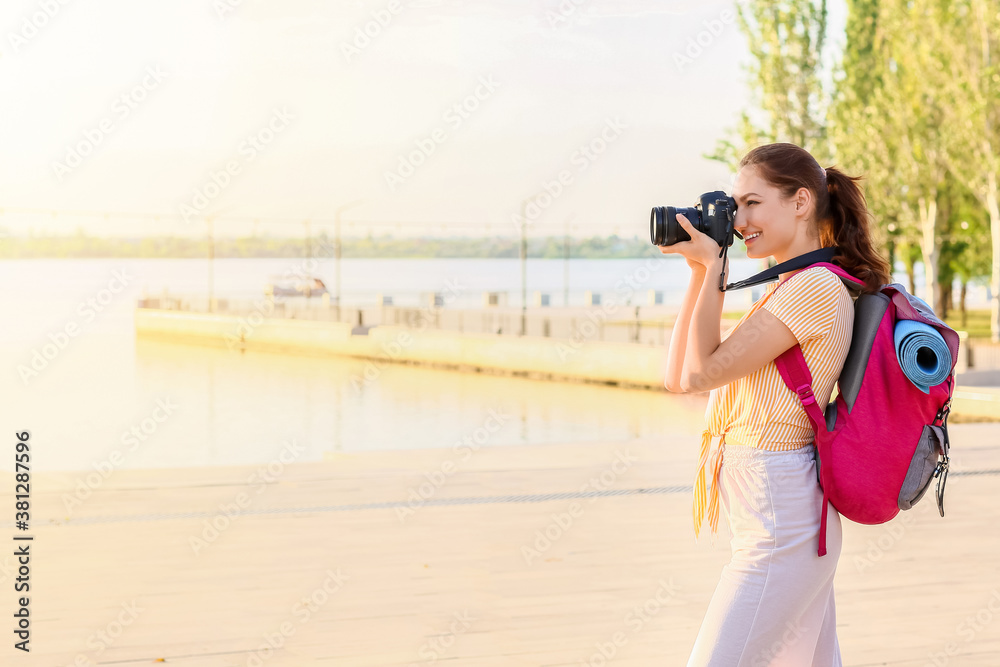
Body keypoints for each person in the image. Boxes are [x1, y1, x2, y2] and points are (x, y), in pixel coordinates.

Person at [660, 142, 891, 666]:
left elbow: (702, 370)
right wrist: (700, 274)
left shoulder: (813, 288)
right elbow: (679, 379)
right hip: (773, 515)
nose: (738, 221)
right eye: (735, 207)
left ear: (801, 202)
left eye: (751, 203)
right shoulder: (788, 285)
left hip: (782, 520)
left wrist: (715, 268)